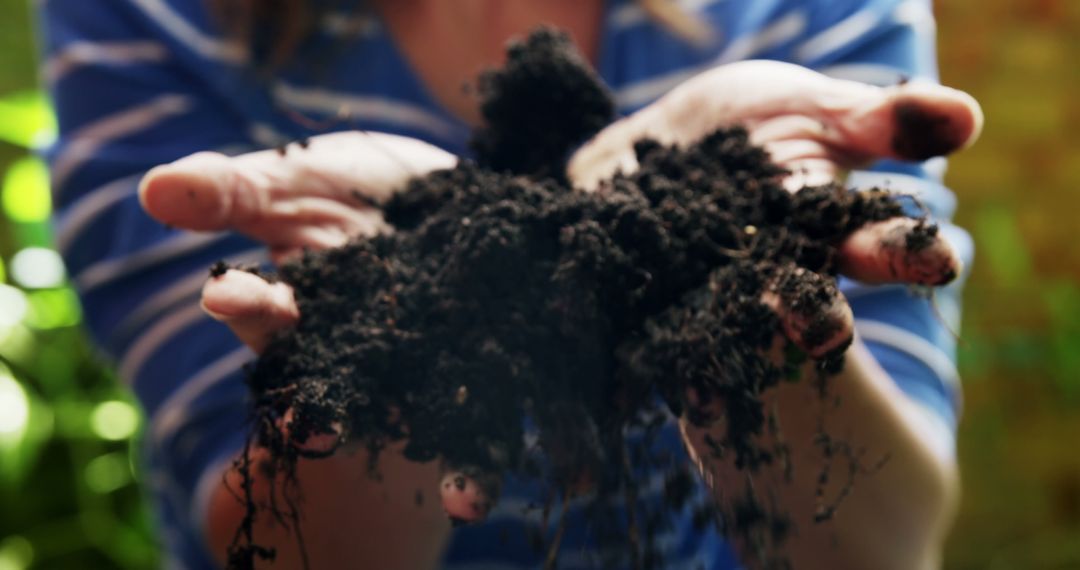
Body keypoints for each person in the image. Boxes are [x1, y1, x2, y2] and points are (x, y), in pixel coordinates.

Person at [37, 0, 981, 568]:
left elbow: (883, 547)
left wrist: (755, 342)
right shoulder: (155, 17)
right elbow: (280, 551)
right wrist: (383, 373)